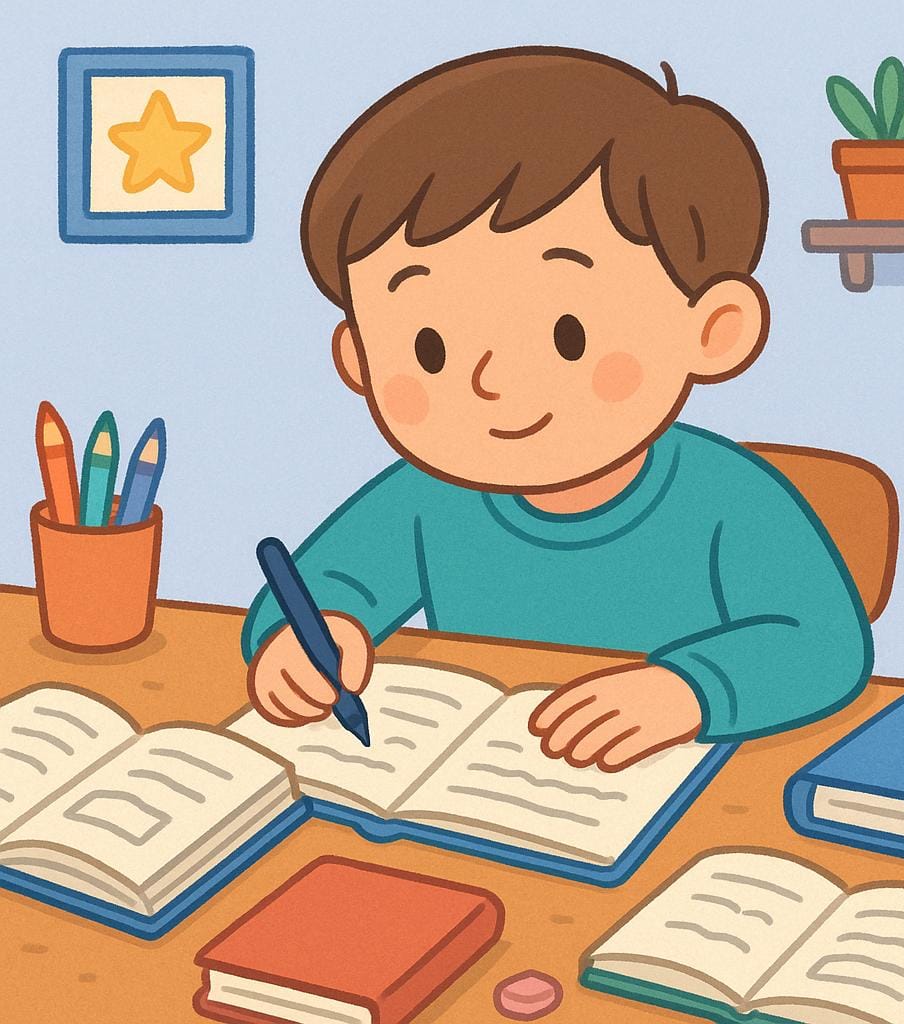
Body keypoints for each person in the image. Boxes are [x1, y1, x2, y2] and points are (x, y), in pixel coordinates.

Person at [242, 47, 871, 772]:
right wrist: (308, 640)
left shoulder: (730, 498)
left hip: (689, 794)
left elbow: (821, 643)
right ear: (358, 358)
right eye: (430, 347)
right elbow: (321, 585)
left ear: (713, 329)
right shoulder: (427, 497)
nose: (492, 381)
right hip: (491, 789)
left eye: (566, 336)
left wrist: (688, 692)